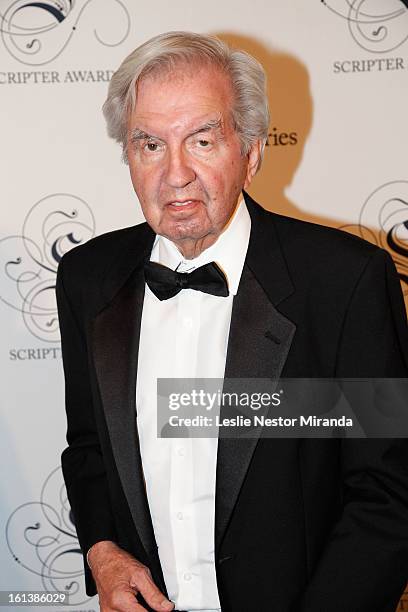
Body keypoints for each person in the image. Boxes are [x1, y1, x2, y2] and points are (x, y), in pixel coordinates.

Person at [56, 31, 408, 612]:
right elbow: (89, 445)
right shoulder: (86, 279)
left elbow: (388, 494)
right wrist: (101, 550)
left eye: (202, 139)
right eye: (149, 144)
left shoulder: (343, 283)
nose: (175, 174)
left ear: (252, 150)